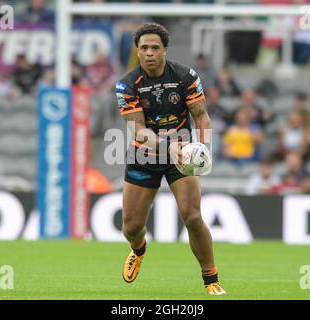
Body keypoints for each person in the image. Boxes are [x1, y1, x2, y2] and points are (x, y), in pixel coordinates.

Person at [115, 23, 226, 295]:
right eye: (144, 48)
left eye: (155, 47)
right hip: (146, 155)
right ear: (137, 52)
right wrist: (167, 146)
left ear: (165, 49)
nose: (149, 53)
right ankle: (139, 249)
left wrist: (203, 147)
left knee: (192, 216)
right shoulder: (127, 85)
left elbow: (201, 116)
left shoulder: (185, 76)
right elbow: (139, 132)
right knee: (131, 227)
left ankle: (211, 279)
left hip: (182, 155)